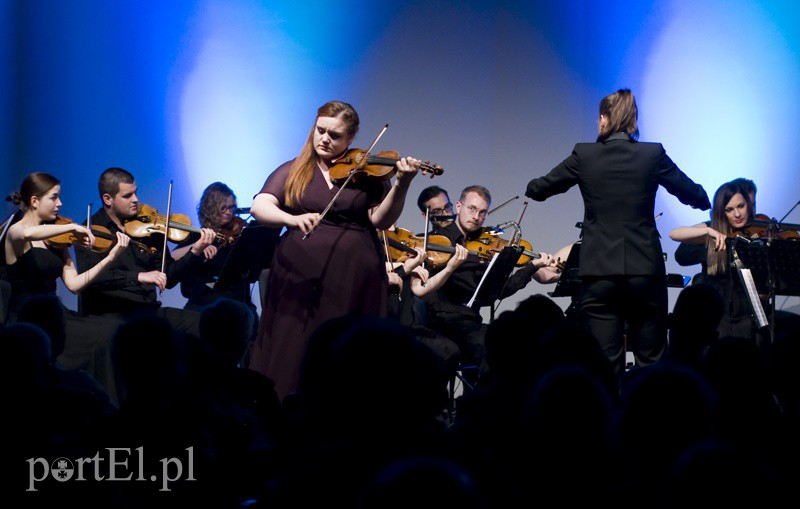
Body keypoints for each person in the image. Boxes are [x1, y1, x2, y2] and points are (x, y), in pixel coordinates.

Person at [525, 88, 711, 383]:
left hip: (600, 273)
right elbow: (696, 195)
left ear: (603, 119)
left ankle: (609, 425)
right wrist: (703, 199)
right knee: (651, 361)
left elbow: (538, 189)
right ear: (633, 120)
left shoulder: (584, 155)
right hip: (645, 272)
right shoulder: (653, 155)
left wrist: (533, 185)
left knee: (604, 364)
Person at [248, 100, 421, 400]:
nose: (325, 139)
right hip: (297, 274)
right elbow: (259, 205)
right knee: (293, 342)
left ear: (351, 138)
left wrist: (402, 184)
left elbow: (381, 219)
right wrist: (292, 218)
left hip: (353, 276)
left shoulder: (367, 173)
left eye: (335, 135)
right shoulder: (294, 169)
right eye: (320, 130)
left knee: (345, 345)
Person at [3, 172, 131, 402]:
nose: (60, 203)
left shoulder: (58, 238)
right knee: (99, 337)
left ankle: (108, 407)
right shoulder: (16, 233)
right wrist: (71, 227)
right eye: (54, 198)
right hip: (27, 319)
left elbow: (74, 285)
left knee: (113, 329)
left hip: (56, 314)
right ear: (34, 201)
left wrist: (110, 258)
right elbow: (27, 232)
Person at [424, 184, 559, 381]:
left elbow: (495, 293)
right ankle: (485, 403)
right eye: (472, 209)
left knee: (513, 340)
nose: (476, 217)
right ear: (459, 207)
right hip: (443, 322)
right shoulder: (441, 242)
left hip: (470, 323)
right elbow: (468, 289)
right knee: (490, 345)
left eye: (482, 212)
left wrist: (532, 266)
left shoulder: (484, 246)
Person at [75, 167, 216, 339]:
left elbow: (169, 277)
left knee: (204, 325)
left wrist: (195, 250)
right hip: (109, 315)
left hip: (147, 311)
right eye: (127, 196)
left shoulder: (149, 227)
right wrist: (139, 276)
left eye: (135, 193)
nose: (136, 200)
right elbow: (92, 278)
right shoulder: (90, 231)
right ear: (107, 199)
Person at [669, 181, 768, 345]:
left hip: (746, 311)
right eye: (730, 209)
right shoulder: (712, 230)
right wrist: (708, 231)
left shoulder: (756, 231)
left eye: (741, 206)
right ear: (722, 212)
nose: (737, 214)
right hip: (718, 311)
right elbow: (674, 234)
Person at [173, 182, 263, 317]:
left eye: (232, 208)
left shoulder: (240, 235)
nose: (229, 213)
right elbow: (173, 255)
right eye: (223, 208)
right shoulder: (198, 235)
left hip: (238, 302)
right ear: (210, 209)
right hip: (204, 303)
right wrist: (199, 247)